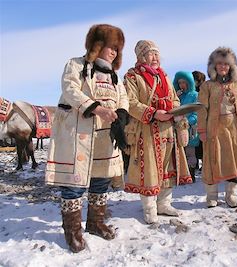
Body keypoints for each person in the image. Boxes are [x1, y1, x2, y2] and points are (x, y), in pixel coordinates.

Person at [45, 24, 128, 253]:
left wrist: (121, 114)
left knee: (101, 180)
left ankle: (95, 222)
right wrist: (96, 108)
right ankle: (73, 231)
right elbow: (70, 89)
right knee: (74, 184)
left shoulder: (113, 76)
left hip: (104, 136)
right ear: (97, 45)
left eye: (117, 49)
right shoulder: (76, 65)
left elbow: (123, 97)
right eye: (110, 47)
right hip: (78, 134)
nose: (114, 52)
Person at [124, 40, 192, 224]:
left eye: (156, 54)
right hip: (146, 129)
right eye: (150, 54)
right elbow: (130, 102)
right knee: (150, 168)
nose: (154, 57)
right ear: (140, 57)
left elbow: (174, 99)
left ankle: (164, 203)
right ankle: (149, 207)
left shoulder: (164, 76)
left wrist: (177, 114)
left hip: (168, 129)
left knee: (169, 165)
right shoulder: (132, 76)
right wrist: (154, 113)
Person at [198, 47, 237, 208]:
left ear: (231, 66)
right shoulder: (207, 86)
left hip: (236, 130)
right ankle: (211, 196)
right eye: (219, 64)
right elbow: (202, 109)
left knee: (235, 162)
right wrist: (202, 130)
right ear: (214, 66)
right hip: (214, 130)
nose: (223, 67)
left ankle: (231, 195)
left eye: (226, 64)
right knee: (212, 161)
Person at [173, 71, 200, 182]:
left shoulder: (195, 95)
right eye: (180, 83)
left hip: (190, 128)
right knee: (180, 152)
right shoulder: (178, 95)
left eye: (184, 82)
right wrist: (175, 97)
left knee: (190, 152)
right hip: (178, 128)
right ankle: (181, 174)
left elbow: (197, 112)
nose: (182, 85)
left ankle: (191, 173)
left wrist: (188, 122)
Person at [192, 70, 206, 171]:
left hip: (201, 118)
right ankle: (199, 164)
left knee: (200, 143)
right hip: (200, 118)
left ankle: (200, 164)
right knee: (199, 143)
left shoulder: (202, 89)